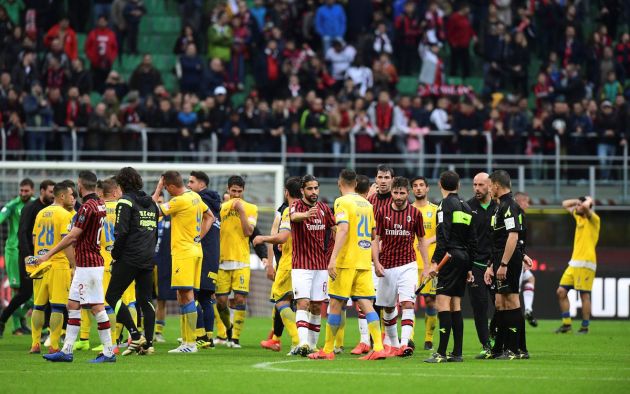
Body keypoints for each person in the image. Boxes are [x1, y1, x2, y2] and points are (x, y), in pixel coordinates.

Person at [308, 169, 387, 360]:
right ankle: (378, 347)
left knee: (335, 304)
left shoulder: (342, 202)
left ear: (339, 182)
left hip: (346, 261)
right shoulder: (367, 204)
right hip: (362, 259)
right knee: (367, 303)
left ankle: (327, 350)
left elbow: (342, 229)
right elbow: (373, 235)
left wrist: (333, 259)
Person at [40, 171, 116, 363]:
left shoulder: (87, 207)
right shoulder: (99, 203)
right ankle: (67, 351)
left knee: (97, 307)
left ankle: (108, 351)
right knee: (72, 305)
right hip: (88, 263)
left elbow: (73, 236)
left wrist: (48, 254)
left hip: (89, 265)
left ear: (80, 185)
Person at [152, 171, 214, 353]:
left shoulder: (179, 201)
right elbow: (210, 215)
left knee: (186, 296)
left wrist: (156, 191)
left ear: (170, 186)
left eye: (165, 187)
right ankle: (187, 342)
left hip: (184, 253)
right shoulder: (194, 196)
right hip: (194, 251)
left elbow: (152, 212)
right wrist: (198, 237)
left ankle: (190, 343)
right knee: (184, 295)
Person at [105, 167, 159, 355]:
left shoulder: (125, 202)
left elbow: (121, 232)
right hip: (147, 257)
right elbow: (155, 231)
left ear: (121, 184)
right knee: (145, 300)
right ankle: (149, 344)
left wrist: (115, 255)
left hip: (130, 257)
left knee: (112, 296)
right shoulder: (152, 203)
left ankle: (135, 335)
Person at [373, 177, 428, 358]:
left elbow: (421, 241)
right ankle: (395, 344)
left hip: (408, 265)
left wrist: (426, 266)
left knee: (407, 303)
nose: (398, 196)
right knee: (388, 308)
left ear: (407, 193)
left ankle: (404, 344)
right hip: (386, 265)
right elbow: (376, 240)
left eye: (401, 193)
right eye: (395, 192)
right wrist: (376, 262)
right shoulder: (381, 212)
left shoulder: (416, 214)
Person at [425, 171, 476, 363]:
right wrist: (469, 267)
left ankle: (441, 353)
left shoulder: (444, 205)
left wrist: (434, 263)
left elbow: (443, 236)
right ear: (459, 185)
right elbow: (473, 241)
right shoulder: (467, 207)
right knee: (456, 305)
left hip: (449, 257)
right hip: (463, 258)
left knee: (443, 304)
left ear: (440, 184)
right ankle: (457, 353)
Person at [253, 176, 303, 355]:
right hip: (308, 264)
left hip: (288, 262)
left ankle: (298, 341)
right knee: (303, 304)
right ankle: (277, 338)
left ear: (286, 192)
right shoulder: (311, 210)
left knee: (282, 301)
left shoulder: (288, 211)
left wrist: (263, 238)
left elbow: (280, 237)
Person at [0, 179, 55, 338]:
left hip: (48, 257)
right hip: (29, 257)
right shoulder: (30, 208)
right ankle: (4, 319)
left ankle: (46, 329)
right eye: (50, 192)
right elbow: (22, 233)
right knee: (25, 293)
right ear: (42, 191)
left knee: (49, 293)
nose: (53, 195)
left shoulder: (53, 208)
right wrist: (28, 256)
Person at [289, 175, 336, 356]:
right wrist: (306, 215)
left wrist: (332, 253)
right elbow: (294, 217)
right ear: (302, 190)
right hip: (301, 265)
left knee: (317, 306)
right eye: (310, 189)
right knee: (303, 303)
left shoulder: (324, 208)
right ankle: (303, 343)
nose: (314, 192)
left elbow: (335, 229)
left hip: (321, 266)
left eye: (316, 188)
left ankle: (313, 346)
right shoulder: (296, 206)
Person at [484, 170, 528, 360]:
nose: (487, 188)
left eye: (488, 185)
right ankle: (500, 348)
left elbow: (512, 236)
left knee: (511, 300)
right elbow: (499, 240)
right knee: (501, 303)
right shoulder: (500, 206)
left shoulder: (509, 206)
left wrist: (503, 264)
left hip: (507, 260)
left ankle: (517, 349)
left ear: (495, 185)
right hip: (500, 258)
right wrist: (491, 264)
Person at [30, 182, 75, 354]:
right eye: (70, 194)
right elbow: (67, 242)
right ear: (62, 196)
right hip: (58, 265)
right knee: (57, 307)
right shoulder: (65, 215)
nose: (72, 198)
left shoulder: (41, 213)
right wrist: (74, 264)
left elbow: (34, 239)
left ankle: (35, 343)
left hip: (40, 265)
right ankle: (54, 345)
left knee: (38, 305)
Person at [216, 176, 258, 348]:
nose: (236, 194)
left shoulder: (251, 208)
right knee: (221, 302)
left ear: (243, 191)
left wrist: (241, 211)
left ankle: (235, 338)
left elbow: (249, 231)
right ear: (228, 189)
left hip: (241, 260)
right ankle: (228, 328)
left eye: (239, 191)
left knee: (240, 299)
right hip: (222, 260)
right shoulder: (220, 208)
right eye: (233, 191)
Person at [187, 171, 222, 349]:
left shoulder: (200, 201)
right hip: (213, 254)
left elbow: (201, 226)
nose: (188, 185)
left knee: (193, 294)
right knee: (206, 298)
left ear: (202, 185)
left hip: (202, 254)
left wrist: (195, 239)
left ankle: (200, 334)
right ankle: (207, 337)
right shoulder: (216, 204)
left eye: (191, 182)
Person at [556, 196, 600, 334]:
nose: (577, 207)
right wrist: (578, 202)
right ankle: (567, 324)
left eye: (580, 205)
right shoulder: (579, 217)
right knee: (561, 292)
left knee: (584, 295)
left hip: (587, 263)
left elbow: (587, 207)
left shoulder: (594, 219)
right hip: (574, 263)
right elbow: (564, 204)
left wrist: (588, 200)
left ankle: (585, 326)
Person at [467, 172, 497, 358]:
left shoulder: (500, 206)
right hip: (476, 265)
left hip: (496, 265)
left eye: (481, 185)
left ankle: (495, 335)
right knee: (480, 308)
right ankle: (486, 345)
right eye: (475, 184)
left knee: (502, 306)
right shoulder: (468, 207)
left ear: (490, 186)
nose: (477, 188)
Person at [0, 178, 34, 335]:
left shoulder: (36, 204)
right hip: (13, 250)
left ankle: (19, 319)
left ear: (32, 191)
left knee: (30, 292)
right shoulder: (13, 205)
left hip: (29, 250)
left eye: (26, 191)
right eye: (21, 190)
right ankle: (16, 326)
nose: (23, 193)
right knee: (16, 288)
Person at [411, 176, 438, 351]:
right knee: (408, 301)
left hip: (431, 263)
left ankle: (429, 338)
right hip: (410, 263)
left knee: (431, 301)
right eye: (415, 186)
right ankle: (409, 338)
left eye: (421, 185)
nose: (418, 188)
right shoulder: (407, 209)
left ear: (427, 188)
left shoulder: (436, 210)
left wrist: (429, 241)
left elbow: (443, 234)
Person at [514, 192, 537, 327]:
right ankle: (512, 323)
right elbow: (516, 239)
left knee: (530, 278)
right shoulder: (518, 215)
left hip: (517, 255)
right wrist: (521, 257)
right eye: (526, 202)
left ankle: (528, 309)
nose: (527, 205)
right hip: (515, 258)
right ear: (520, 201)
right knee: (513, 294)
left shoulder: (518, 214)